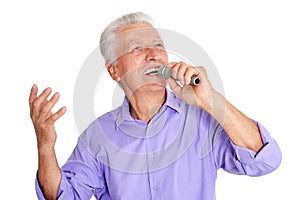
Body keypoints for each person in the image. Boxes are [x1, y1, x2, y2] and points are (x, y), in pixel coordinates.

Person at [29, 12, 282, 200]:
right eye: (137, 48)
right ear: (114, 70)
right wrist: (45, 146)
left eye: (158, 46)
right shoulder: (98, 137)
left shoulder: (201, 120)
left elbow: (265, 160)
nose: (154, 54)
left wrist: (210, 99)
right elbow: (62, 197)